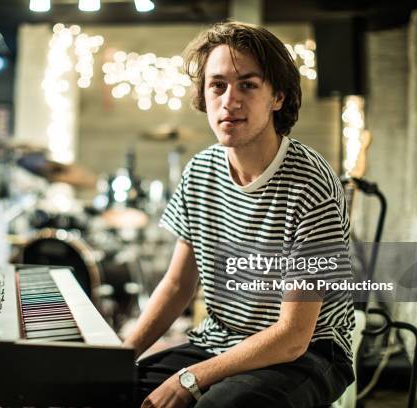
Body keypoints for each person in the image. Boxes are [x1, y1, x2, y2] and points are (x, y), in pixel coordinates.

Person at [123, 21, 355, 408]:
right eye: (218, 85)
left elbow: (293, 336)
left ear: (277, 97)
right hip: (220, 342)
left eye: (248, 84)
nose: (230, 101)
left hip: (310, 355)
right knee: (110, 392)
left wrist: (192, 378)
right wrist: (116, 358)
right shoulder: (200, 171)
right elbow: (179, 283)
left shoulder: (311, 184)